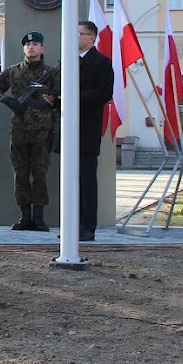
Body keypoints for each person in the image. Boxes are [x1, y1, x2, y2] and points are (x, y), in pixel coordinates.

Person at [0, 30, 61, 232]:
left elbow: (62, 97)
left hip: (43, 130)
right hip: (19, 130)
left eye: (36, 44)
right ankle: (24, 216)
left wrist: (53, 101)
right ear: (24, 48)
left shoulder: (52, 73)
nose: (31, 47)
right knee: (20, 174)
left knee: (39, 174)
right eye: (28, 45)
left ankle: (38, 218)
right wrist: (9, 100)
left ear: (42, 48)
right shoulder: (14, 71)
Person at [77, 20, 116, 241]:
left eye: (78, 33)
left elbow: (104, 93)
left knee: (86, 179)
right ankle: (71, 224)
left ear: (91, 38)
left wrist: (74, 97)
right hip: (68, 129)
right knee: (70, 181)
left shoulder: (101, 62)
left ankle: (87, 226)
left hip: (87, 129)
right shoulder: (68, 61)